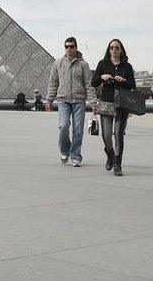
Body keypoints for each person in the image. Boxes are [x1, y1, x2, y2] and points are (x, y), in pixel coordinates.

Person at [45, 37, 95, 167]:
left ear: (76, 47)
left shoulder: (84, 65)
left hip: (79, 100)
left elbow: (89, 85)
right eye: (66, 46)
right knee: (63, 126)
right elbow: (53, 83)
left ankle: (75, 156)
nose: (69, 49)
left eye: (71, 46)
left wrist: (94, 103)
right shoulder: (58, 63)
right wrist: (49, 100)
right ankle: (64, 151)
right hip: (63, 100)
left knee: (78, 130)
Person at [91, 39, 136, 176]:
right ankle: (110, 154)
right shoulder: (103, 64)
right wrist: (102, 76)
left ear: (121, 50)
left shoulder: (126, 66)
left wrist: (124, 81)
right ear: (108, 49)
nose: (114, 50)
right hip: (106, 102)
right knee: (106, 135)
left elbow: (132, 85)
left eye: (117, 47)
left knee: (118, 135)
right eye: (112, 47)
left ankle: (118, 164)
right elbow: (94, 82)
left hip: (121, 104)